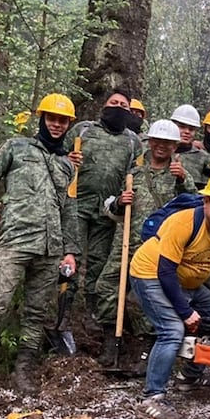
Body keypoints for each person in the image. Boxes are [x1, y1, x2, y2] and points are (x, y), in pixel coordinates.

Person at [0, 93, 80, 403]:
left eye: (63, 120)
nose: (56, 124)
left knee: (36, 314)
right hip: (15, 242)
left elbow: (69, 209)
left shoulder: (66, 164)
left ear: (69, 124)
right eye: (51, 118)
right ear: (42, 118)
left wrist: (70, 250)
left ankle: (24, 370)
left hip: (50, 249)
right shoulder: (15, 147)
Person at [129, 170, 210, 419]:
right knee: (172, 329)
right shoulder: (184, 223)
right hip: (150, 273)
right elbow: (165, 271)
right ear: (206, 202)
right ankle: (152, 397)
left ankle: (189, 376)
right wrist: (185, 312)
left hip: (187, 279)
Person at [94, 120, 197, 367]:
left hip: (158, 246)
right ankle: (111, 338)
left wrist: (183, 180)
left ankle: (148, 344)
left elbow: (194, 204)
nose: (161, 147)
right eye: (157, 142)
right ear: (149, 143)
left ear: (175, 146)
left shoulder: (179, 174)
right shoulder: (133, 173)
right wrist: (120, 202)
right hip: (127, 239)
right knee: (106, 285)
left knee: (145, 295)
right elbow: (110, 207)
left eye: (167, 143)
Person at [63, 89, 142, 320]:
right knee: (71, 255)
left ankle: (91, 310)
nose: (118, 107)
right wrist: (68, 159)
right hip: (77, 205)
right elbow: (60, 155)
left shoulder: (133, 141)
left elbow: (136, 173)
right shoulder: (83, 130)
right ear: (104, 105)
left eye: (124, 105)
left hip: (107, 210)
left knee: (98, 261)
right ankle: (65, 307)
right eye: (113, 102)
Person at [170, 104, 210, 188]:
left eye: (191, 129)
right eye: (182, 127)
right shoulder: (159, 151)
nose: (187, 132)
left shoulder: (205, 158)